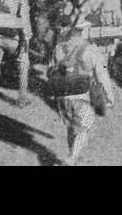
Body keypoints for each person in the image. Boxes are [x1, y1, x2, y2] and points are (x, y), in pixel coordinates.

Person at [49, 18, 115, 166]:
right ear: (84, 31)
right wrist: (109, 97)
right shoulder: (91, 50)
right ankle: (71, 158)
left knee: (72, 127)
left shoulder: (59, 48)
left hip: (62, 96)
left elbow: (50, 71)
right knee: (84, 127)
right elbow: (102, 75)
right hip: (82, 95)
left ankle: (73, 156)